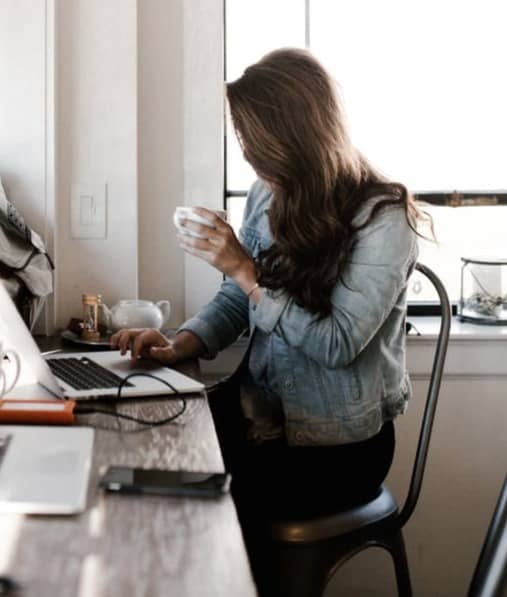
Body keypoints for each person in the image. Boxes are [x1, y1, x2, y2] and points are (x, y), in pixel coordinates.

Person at [111, 48, 421, 595]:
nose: (250, 158)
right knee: (140, 457)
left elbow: (337, 343)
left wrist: (247, 271)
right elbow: (239, 298)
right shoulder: (266, 195)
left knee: (210, 502)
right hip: (262, 416)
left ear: (296, 135)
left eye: (257, 143)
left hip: (337, 447)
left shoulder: (384, 217)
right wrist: (181, 342)